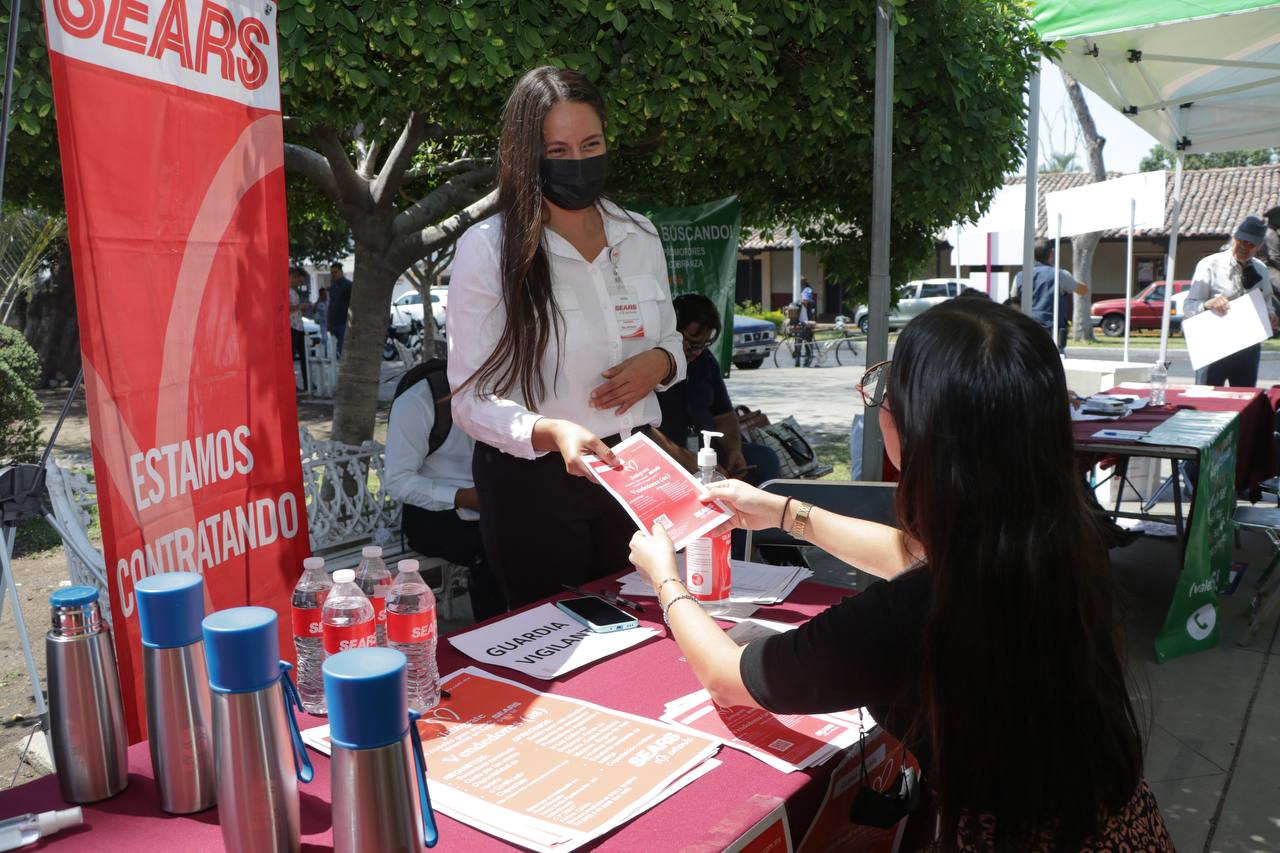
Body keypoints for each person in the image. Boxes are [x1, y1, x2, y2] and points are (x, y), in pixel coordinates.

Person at [628, 298, 1172, 851]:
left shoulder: (916, 614)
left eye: (888, 391)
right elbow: (913, 558)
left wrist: (665, 579)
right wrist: (785, 513)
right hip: (1125, 827)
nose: (879, 404)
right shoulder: (1059, 546)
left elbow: (729, 677)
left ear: (917, 432)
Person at [447, 66, 685, 610]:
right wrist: (550, 431)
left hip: (634, 470)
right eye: (558, 150)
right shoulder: (489, 249)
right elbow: (470, 397)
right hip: (535, 485)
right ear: (526, 155)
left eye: (590, 143)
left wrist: (662, 363)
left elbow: (670, 339)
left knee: (650, 626)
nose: (578, 162)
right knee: (559, 643)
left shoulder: (641, 233)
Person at [385, 359, 506, 621]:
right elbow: (397, 481)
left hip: (494, 507)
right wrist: (462, 497)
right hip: (436, 514)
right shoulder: (419, 400)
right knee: (495, 549)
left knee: (545, 532)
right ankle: (494, 637)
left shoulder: (507, 386)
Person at [654, 293, 781, 487]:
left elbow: (724, 415)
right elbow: (644, 431)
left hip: (708, 452)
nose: (696, 352)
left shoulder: (705, 361)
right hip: (666, 454)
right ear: (672, 331)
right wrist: (687, 460)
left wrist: (734, 451)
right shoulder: (652, 364)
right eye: (691, 344)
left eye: (703, 345)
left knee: (765, 459)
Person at [1184, 215, 1276, 387]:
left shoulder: (1261, 269)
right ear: (1234, 237)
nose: (1244, 247)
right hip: (1213, 346)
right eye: (1241, 241)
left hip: (1248, 346)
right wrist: (1207, 304)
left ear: (1260, 246)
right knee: (1207, 400)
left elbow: (1267, 304)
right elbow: (1188, 306)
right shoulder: (1209, 264)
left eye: (1251, 244)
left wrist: (1270, 315)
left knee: (1245, 400)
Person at [1011, 238, 1089, 351]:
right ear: (1052, 253)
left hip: (1026, 331)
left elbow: (1013, 302)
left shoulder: (1019, 276)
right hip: (1053, 333)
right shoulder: (1061, 275)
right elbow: (1083, 290)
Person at [288, 266, 309, 392]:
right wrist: (300, 306)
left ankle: (307, 383)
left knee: (304, 357)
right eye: (299, 281)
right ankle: (292, 385)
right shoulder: (286, 291)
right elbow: (287, 308)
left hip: (299, 327)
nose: (300, 284)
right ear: (293, 277)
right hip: (292, 328)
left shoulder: (294, 292)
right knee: (291, 358)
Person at [327, 262, 353, 357]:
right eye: (332, 273)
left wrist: (349, 322)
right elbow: (330, 305)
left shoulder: (349, 285)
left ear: (341, 272)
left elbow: (352, 305)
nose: (333, 274)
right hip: (334, 323)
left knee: (343, 349)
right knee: (334, 351)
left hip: (344, 323)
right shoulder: (332, 287)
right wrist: (328, 323)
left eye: (335, 272)